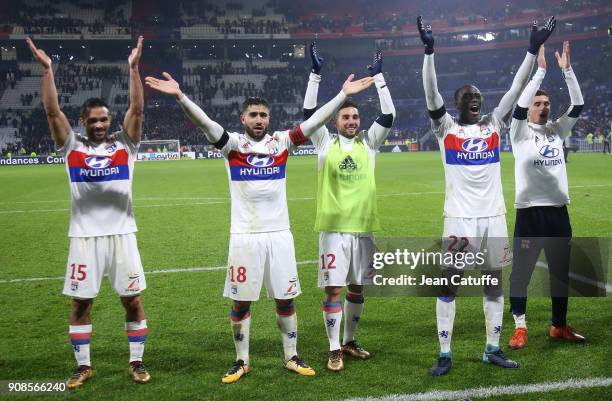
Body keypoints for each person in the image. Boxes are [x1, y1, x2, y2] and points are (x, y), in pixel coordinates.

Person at [145, 70, 374, 383]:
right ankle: (242, 360)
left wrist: (342, 95)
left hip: (280, 235)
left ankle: (291, 356)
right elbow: (205, 123)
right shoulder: (233, 146)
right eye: (253, 115)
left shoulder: (281, 143)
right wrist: (180, 96)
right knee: (241, 301)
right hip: (244, 236)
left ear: (269, 119)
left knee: (286, 298)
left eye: (263, 115)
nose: (259, 120)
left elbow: (315, 122)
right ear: (243, 118)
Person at [417, 15, 556, 376]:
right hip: (460, 218)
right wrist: (429, 53)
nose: (475, 100)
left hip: (493, 215)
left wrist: (530, 51)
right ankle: (444, 353)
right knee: (449, 283)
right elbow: (431, 95)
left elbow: (514, 88)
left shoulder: (494, 125)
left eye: (478, 96)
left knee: (493, 283)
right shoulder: (444, 128)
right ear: (457, 102)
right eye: (468, 96)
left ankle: (491, 348)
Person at [27, 36, 149, 388]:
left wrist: (134, 69)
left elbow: (138, 110)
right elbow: (52, 111)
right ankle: (83, 366)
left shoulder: (125, 145)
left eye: (104, 120)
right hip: (83, 236)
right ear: (83, 120)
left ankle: (136, 362)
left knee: (133, 299)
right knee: (81, 302)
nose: (99, 125)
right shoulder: (71, 145)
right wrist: (48, 71)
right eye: (93, 120)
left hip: (122, 233)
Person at [302, 44, 395, 371]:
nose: (352, 121)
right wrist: (316, 76)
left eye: (355, 116)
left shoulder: (370, 143)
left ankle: (349, 340)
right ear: (337, 119)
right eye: (346, 116)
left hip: (364, 228)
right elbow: (309, 116)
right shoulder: (324, 143)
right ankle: (332, 348)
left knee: (358, 287)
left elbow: (388, 115)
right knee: (333, 289)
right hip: (333, 231)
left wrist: (379, 78)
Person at [508, 42, 585, 350]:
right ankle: (520, 327)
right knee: (521, 275)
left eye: (546, 104)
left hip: (558, 214)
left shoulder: (557, 130)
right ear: (530, 109)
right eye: (538, 104)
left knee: (559, 274)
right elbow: (516, 108)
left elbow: (577, 106)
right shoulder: (519, 132)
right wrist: (540, 72)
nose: (544, 107)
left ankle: (559, 325)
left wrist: (567, 71)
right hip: (529, 214)